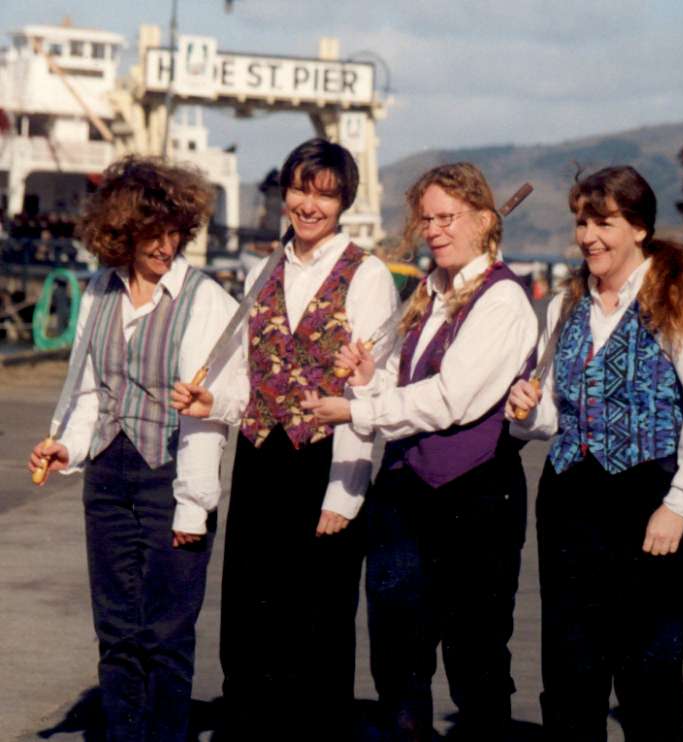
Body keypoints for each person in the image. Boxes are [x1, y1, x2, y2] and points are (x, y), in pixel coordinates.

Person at [301, 162, 538, 741]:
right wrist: (367, 381)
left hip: (476, 497)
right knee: (398, 659)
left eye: (447, 218)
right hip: (406, 493)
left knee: (474, 658)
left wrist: (356, 410)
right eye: (426, 218)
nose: (433, 230)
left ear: (485, 221)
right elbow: (403, 395)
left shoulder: (503, 301)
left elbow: (450, 400)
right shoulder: (430, 295)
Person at [171, 138, 398, 739]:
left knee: (318, 625)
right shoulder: (262, 267)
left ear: (345, 199)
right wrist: (211, 402)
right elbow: (248, 379)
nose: (309, 204)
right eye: (300, 190)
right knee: (249, 618)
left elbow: (368, 393)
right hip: (259, 456)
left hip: (325, 463)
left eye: (324, 194)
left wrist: (343, 498)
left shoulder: (367, 274)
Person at [508, 165, 683, 741]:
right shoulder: (567, 308)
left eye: (604, 222)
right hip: (571, 505)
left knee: (648, 678)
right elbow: (554, 416)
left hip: (650, 504)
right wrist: (526, 409)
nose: (589, 236)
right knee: (570, 675)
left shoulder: (679, 302)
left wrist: (680, 502)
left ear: (639, 227)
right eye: (582, 222)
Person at [28, 156, 236, 742]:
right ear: (121, 231)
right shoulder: (99, 291)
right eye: (153, 233)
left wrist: (194, 507)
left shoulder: (204, 301)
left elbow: (207, 417)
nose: (167, 246)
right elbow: (89, 388)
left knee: (167, 635)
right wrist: (66, 448)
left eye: (176, 232)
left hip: (171, 474)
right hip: (109, 477)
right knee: (117, 631)